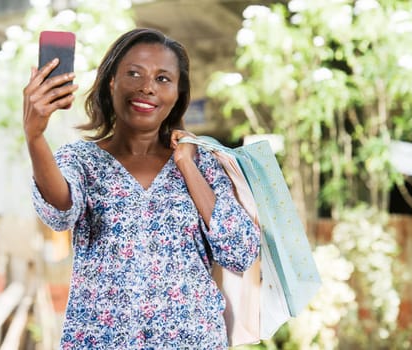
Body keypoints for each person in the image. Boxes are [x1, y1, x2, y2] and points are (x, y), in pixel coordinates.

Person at [23, 28, 260, 349]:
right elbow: (60, 213)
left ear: (178, 93)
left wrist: (187, 166)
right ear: (112, 82)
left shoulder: (203, 162)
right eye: (134, 73)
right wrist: (35, 137)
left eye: (163, 79)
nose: (147, 87)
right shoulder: (80, 159)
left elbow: (239, 251)